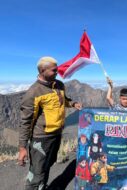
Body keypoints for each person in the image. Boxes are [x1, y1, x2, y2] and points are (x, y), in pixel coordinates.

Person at [18, 56, 82, 190]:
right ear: (42, 70)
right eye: (54, 70)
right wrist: (23, 147)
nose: (57, 72)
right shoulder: (34, 92)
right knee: (37, 171)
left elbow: (63, 100)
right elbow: (26, 121)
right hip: (41, 138)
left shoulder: (59, 85)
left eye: (57, 69)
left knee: (48, 164)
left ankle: (42, 186)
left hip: (57, 134)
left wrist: (73, 103)